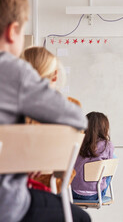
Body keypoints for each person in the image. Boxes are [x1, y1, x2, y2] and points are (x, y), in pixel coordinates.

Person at [0, 0, 90, 221]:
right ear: (12, 31)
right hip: (7, 205)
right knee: (81, 218)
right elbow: (78, 119)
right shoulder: (12, 71)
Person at [21, 46, 80, 192]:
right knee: (81, 216)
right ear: (55, 75)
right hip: (51, 188)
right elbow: (66, 170)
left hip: (9, 196)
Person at [72, 112, 114, 200]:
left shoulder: (76, 141)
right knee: (112, 161)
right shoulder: (107, 145)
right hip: (95, 194)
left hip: (72, 192)